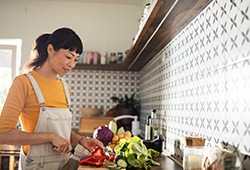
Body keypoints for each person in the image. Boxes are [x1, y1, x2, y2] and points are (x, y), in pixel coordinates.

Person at [0, 27, 104, 169]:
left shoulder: (64, 86)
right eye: (68, 57)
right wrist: (49, 137)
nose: (72, 65)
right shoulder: (23, 83)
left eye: (75, 59)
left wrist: (81, 140)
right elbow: (3, 135)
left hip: (63, 163)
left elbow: (60, 129)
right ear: (50, 49)